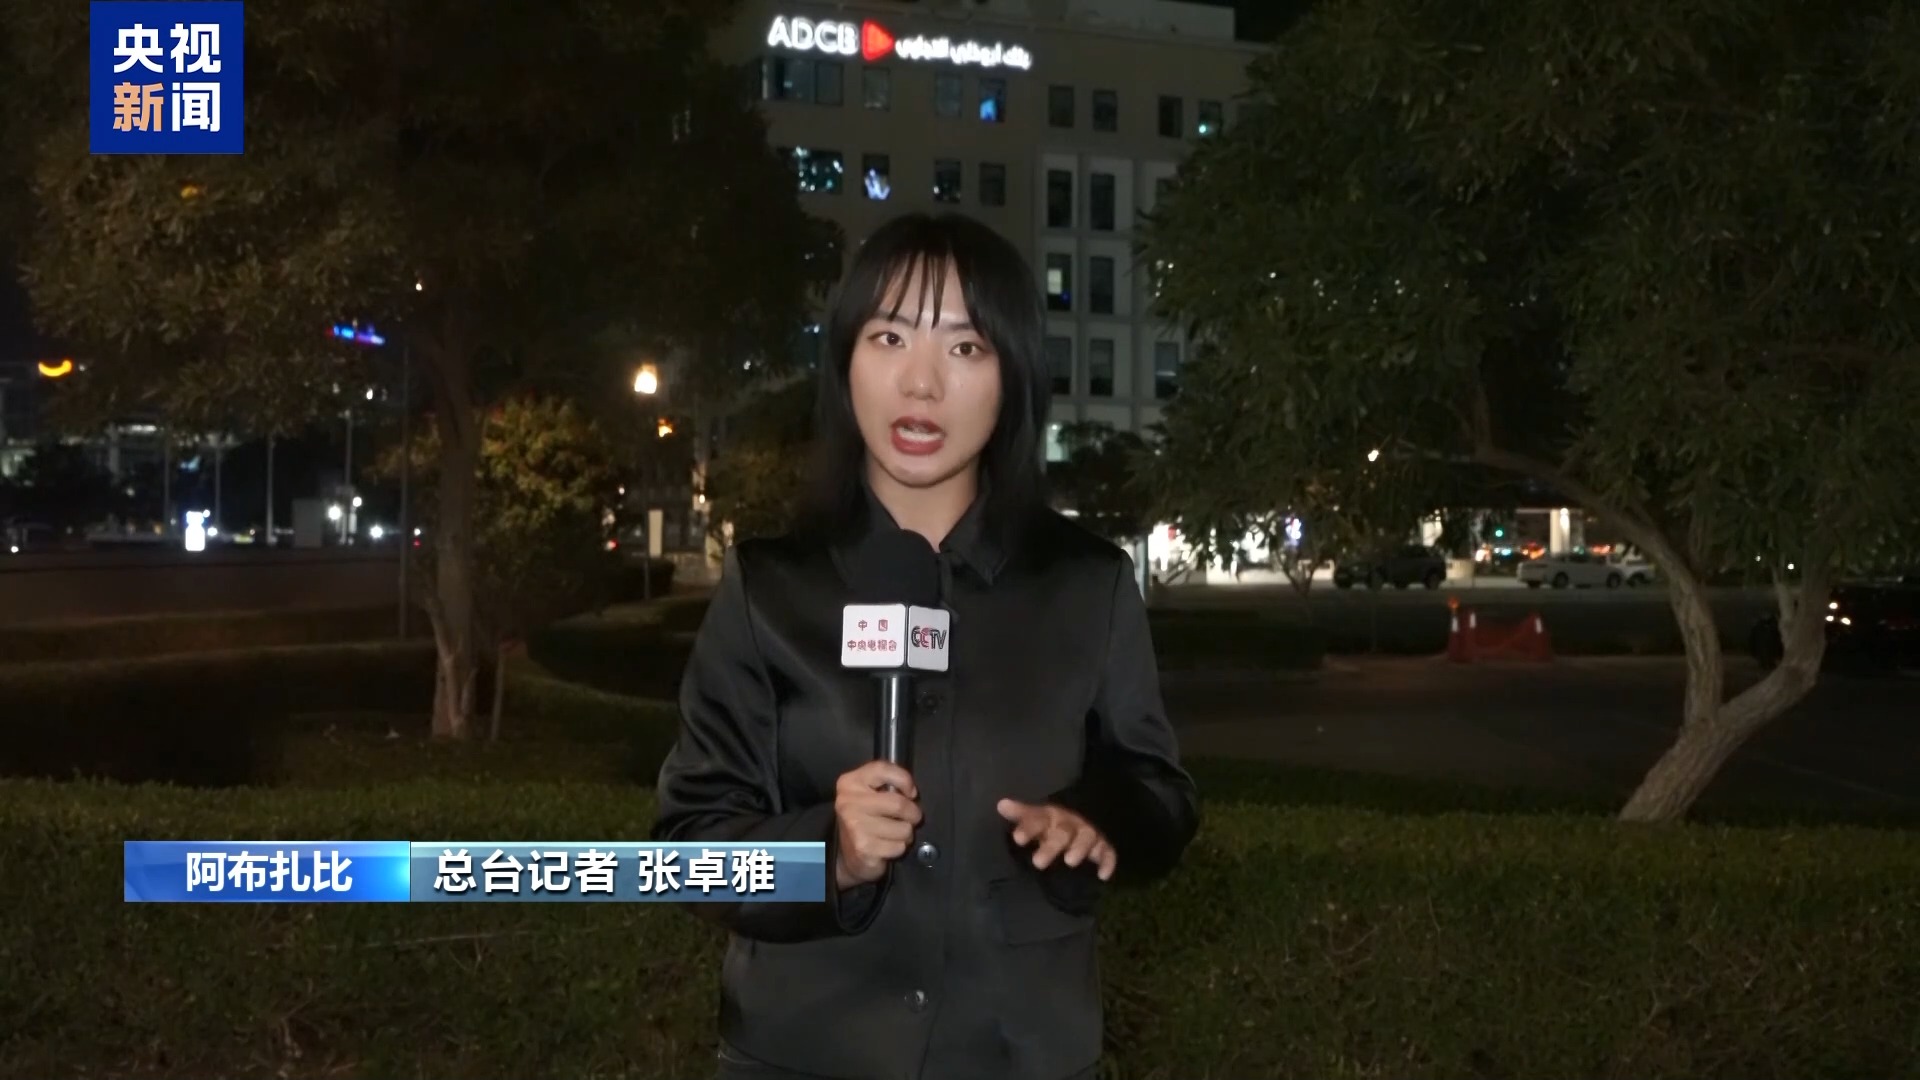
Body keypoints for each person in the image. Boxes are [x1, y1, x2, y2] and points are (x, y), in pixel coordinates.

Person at [653, 211, 1199, 1080]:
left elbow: (1159, 792)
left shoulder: (1087, 585)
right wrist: (828, 853)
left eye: (966, 347)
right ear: (845, 361)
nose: (921, 381)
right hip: (802, 1055)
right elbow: (689, 853)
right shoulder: (770, 589)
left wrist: (1099, 823)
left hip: (1021, 1055)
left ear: (1013, 375)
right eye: (890, 337)